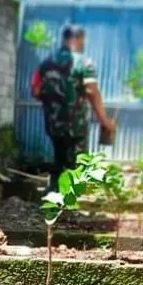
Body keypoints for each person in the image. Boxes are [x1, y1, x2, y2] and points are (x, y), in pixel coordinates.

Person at [31, 24, 115, 191]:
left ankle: (52, 198)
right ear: (77, 38)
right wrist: (104, 120)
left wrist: (53, 105)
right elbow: (91, 90)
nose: (84, 44)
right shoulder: (84, 63)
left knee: (58, 160)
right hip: (75, 125)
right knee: (75, 165)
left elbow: (36, 91)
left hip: (53, 124)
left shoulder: (46, 63)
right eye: (83, 40)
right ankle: (68, 204)